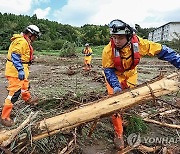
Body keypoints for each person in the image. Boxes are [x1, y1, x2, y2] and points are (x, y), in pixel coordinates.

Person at [102, 19, 180, 150]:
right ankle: (119, 133)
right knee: (114, 103)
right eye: (114, 37)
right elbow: (108, 71)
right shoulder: (108, 50)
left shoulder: (140, 44)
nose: (116, 41)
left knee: (128, 99)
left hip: (131, 74)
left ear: (129, 36)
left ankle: (123, 114)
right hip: (115, 76)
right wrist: (115, 85)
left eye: (120, 37)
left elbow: (163, 51)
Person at [0, 25, 41, 127]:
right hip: (15, 71)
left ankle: (27, 99)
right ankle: (4, 116)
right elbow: (15, 55)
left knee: (25, 86)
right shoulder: (22, 41)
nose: (35, 39)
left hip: (22, 68)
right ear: (30, 34)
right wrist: (20, 69)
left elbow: (22, 54)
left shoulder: (25, 41)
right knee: (14, 93)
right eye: (35, 36)